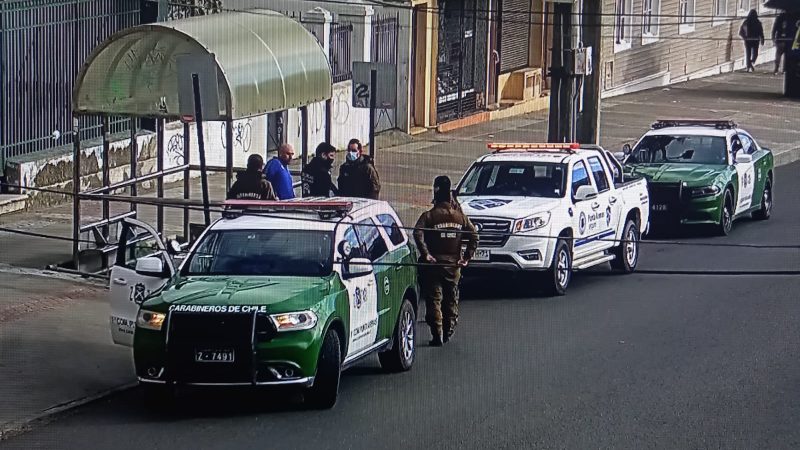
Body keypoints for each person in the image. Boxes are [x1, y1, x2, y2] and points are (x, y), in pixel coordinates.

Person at [413, 176, 478, 347]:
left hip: (434, 265)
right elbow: (474, 236)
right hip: (453, 266)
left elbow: (417, 233)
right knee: (451, 299)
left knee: (434, 299)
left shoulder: (429, 216)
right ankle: (449, 330)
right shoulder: (460, 217)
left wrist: (426, 254)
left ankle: (437, 333)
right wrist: (466, 258)